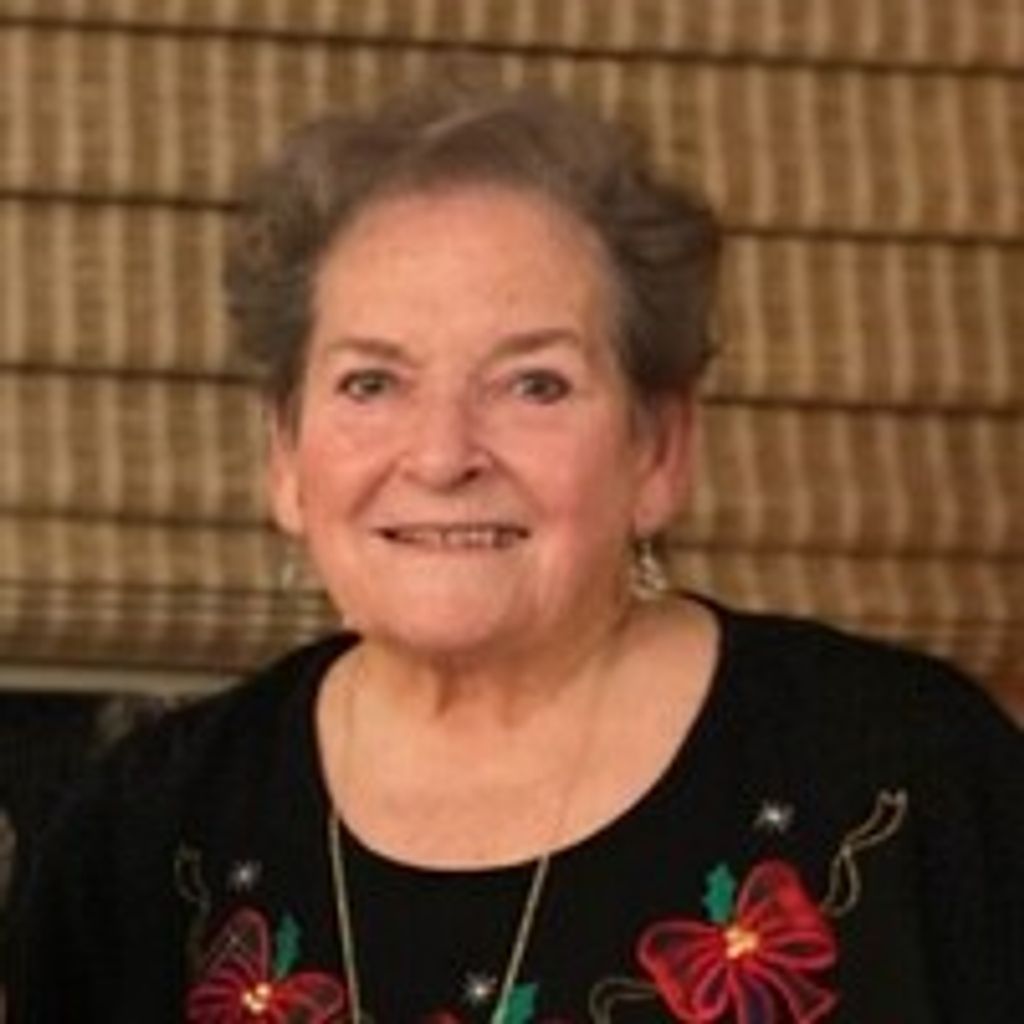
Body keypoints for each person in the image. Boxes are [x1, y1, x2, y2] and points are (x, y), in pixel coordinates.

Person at [9, 85, 1021, 1023]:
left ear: (658, 449)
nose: (442, 455)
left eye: (534, 384)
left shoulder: (907, 778)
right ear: (285, 456)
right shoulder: (145, 834)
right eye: (371, 383)